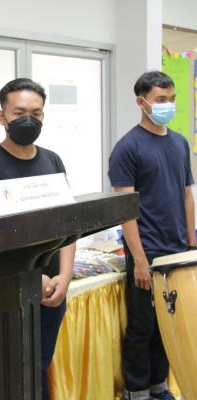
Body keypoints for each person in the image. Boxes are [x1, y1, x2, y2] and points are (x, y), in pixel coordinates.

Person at [0, 78, 76, 400]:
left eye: (36, 113)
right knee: (4, 370)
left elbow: (69, 222)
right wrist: (30, 277)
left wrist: (65, 275)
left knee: (38, 367)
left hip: (51, 289)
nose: (28, 120)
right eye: (19, 113)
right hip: (7, 288)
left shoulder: (52, 160)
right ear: (2, 116)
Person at [108, 71, 195, 400]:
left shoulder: (179, 142)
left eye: (171, 99)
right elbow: (125, 210)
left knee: (169, 323)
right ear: (141, 102)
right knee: (143, 326)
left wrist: (191, 245)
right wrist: (141, 260)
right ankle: (137, 391)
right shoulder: (128, 148)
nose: (167, 105)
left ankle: (159, 386)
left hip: (178, 250)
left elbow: (187, 195)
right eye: (160, 100)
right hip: (148, 252)